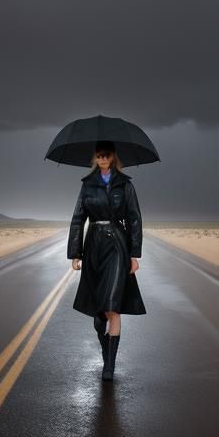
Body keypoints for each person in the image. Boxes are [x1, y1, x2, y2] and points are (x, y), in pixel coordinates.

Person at [67, 140, 146, 382]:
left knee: (112, 306)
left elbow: (134, 219)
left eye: (106, 155)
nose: (102, 159)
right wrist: (75, 252)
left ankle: (109, 365)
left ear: (112, 157)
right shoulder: (87, 185)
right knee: (99, 311)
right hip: (93, 247)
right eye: (99, 155)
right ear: (95, 158)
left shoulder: (125, 184)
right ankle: (105, 348)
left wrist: (135, 254)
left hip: (117, 247)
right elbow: (78, 218)